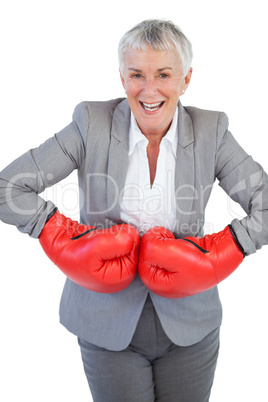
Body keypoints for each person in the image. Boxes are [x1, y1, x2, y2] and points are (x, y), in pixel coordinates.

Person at [0, 19, 267, 402]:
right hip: (105, 324)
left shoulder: (212, 131)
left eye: (164, 74)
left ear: (186, 79)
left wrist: (226, 248)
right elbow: (9, 187)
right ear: (122, 77)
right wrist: (60, 234)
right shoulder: (91, 123)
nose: (149, 89)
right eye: (136, 75)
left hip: (191, 324)